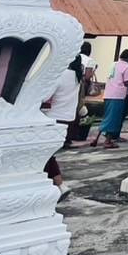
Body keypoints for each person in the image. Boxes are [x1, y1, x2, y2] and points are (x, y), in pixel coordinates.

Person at [42, 53, 83, 201]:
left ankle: (59, 184)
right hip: (68, 119)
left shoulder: (61, 75)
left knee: (44, 153)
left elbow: (45, 96)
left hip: (54, 117)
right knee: (47, 153)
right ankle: (57, 184)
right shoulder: (77, 77)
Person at [90, 53, 128, 148]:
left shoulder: (113, 64)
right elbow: (126, 82)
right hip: (118, 95)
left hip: (108, 93)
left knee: (106, 116)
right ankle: (108, 141)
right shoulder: (127, 66)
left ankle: (96, 138)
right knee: (114, 119)